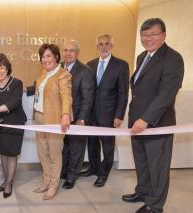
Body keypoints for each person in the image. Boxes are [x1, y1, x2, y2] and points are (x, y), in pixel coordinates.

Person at [122, 18, 184, 213]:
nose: (148, 39)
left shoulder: (173, 58)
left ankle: (155, 205)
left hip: (157, 123)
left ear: (163, 35)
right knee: (142, 161)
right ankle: (143, 191)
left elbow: (167, 94)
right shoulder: (142, 57)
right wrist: (136, 119)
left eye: (153, 34)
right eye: (144, 35)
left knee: (157, 166)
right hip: (137, 123)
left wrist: (147, 118)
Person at [81, 34, 129, 187]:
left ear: (111, 46)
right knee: (92, 144)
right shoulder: (90, 64)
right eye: (101, 44)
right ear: (97, 47)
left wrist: (119, 115)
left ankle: (104, 173)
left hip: (109, 115)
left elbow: (123, 93)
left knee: (107, 146)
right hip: (91, 114)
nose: (103, 47)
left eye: (107, 44)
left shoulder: (121, 65)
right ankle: (94, 168)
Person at [32, 43, 72, 200]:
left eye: (48, 55)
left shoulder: (63, 74)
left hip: (54, 119)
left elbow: (66, 96)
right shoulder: (43, 73)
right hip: (39, 117)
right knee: (42, 153)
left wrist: (65, 114)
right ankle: (46, 181)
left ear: (56, 57)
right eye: (43, 56)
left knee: (55, 154)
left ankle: (53, 185)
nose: (45, 59)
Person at [0, 53, 27, 199]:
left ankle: (9, 183)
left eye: (1, 67)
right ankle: (6, 180)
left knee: (12, 154)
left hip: (16, 123)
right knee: (3, 153)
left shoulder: (16, 83)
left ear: (7, 68)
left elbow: (15, 102)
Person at [59, 40, 95, 189]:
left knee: (76, 148)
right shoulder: (59, 68)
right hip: (62, 116)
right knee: (65, 146)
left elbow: (88, 97)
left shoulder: (85, 71)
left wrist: (82, 118)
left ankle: (72, 176)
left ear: (77, 53)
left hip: (77, 117)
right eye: (65, 50)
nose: (68, 53)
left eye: (71, 50)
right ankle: (64, 171)